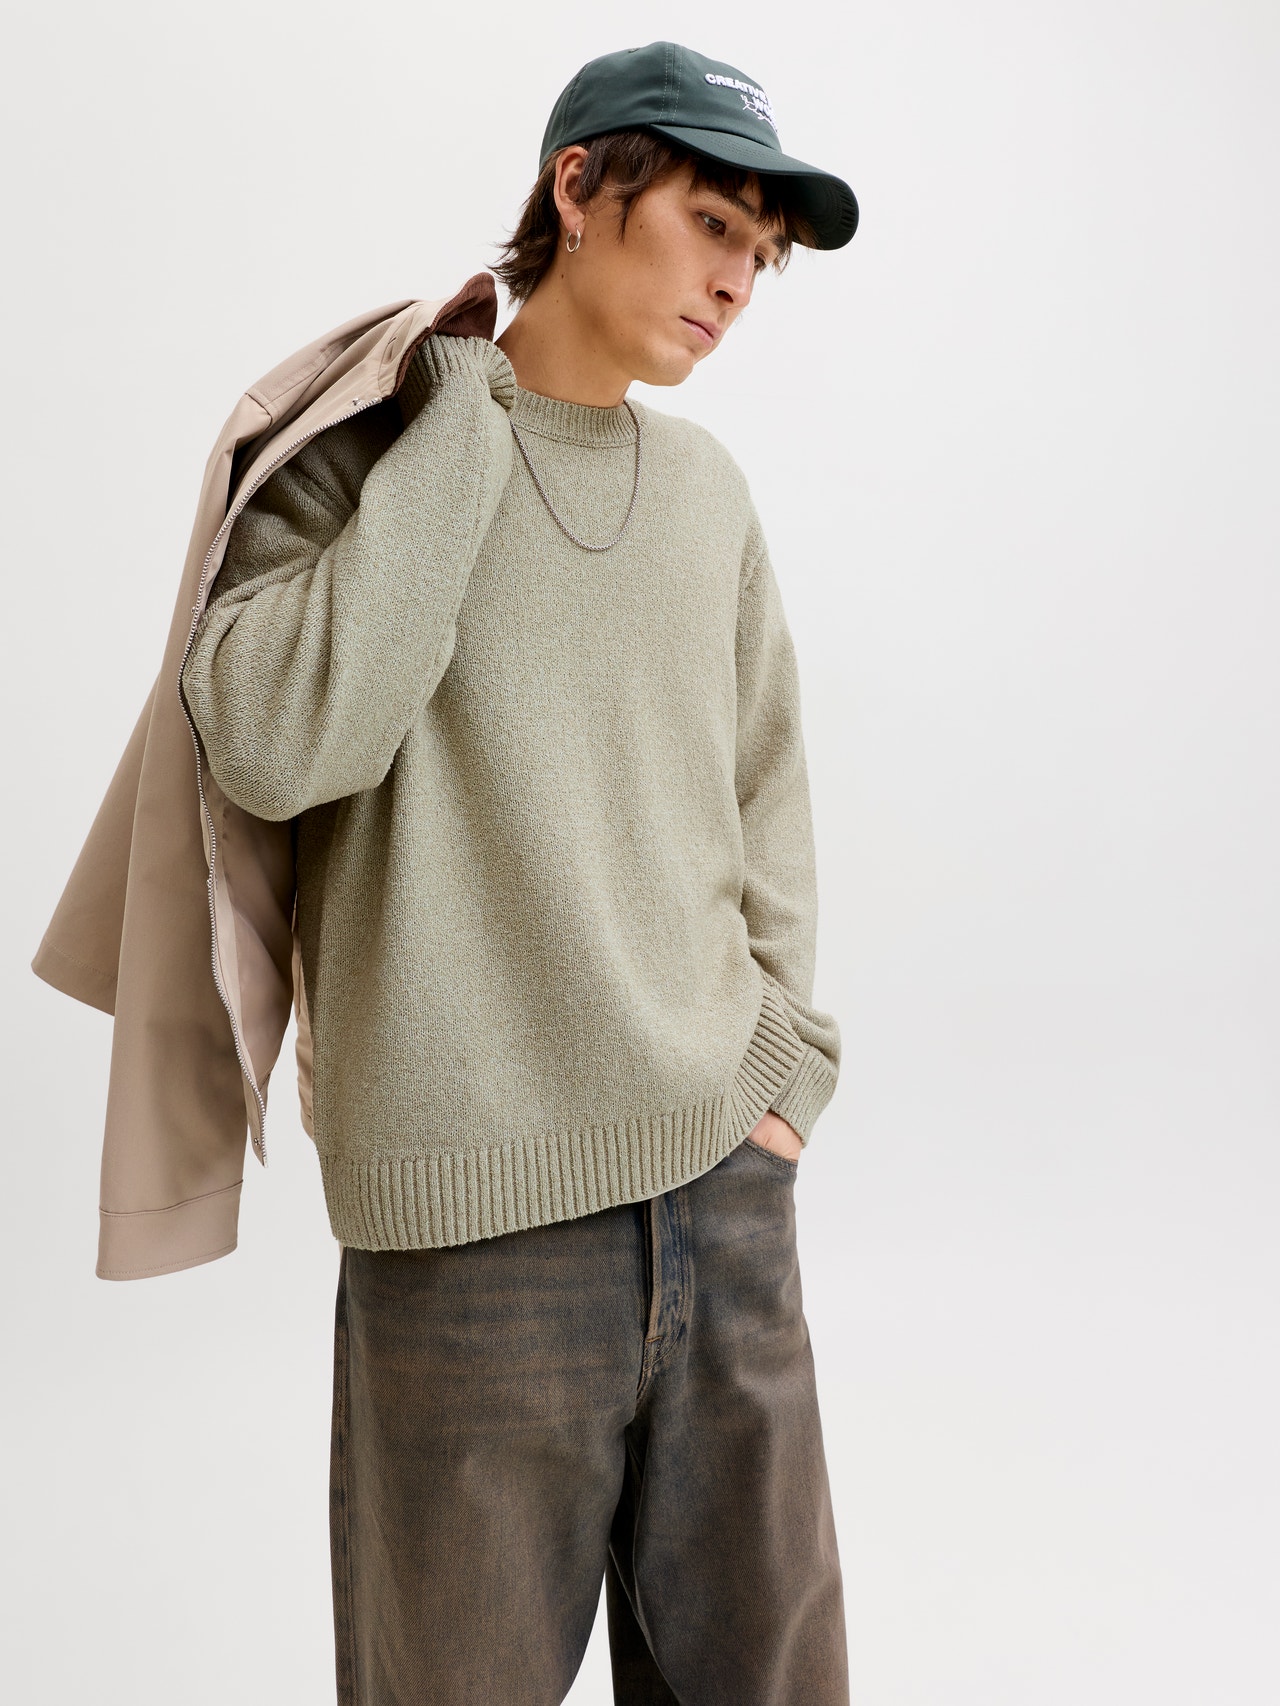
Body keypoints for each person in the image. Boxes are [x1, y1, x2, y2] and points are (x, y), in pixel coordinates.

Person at [180, 38, 859, 1706]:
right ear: (578, 187)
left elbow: (766, 794)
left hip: (721, 1193)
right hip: (472, 1241)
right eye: (712, 224)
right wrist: (462, 417)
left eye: (762, 254)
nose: (737, 281)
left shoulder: (705, 494)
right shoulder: (363, 456)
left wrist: (784, 1082)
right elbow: (274, 742)